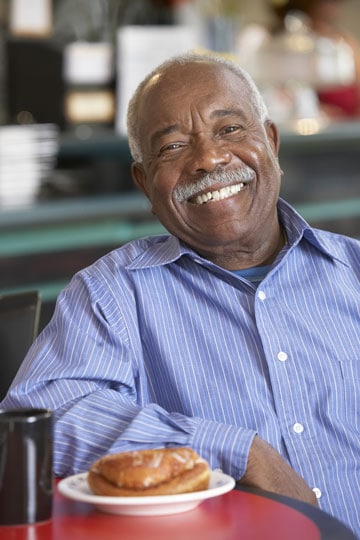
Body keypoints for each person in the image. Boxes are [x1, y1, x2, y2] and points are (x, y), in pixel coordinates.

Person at [1, 52, 360, 536]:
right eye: (172, 147)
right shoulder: (112, 294)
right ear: (146, 184)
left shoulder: (354, 271)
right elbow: (42, 416)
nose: (209, 159)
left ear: (270, 143)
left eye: (230, 130)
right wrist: (236, 451)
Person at [268, 0, 360, 118]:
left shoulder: (344, 40)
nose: (331, 8)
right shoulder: (289, 42)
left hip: (348, 118)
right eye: (325, 3)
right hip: (310, 116)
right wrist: (314, 109)